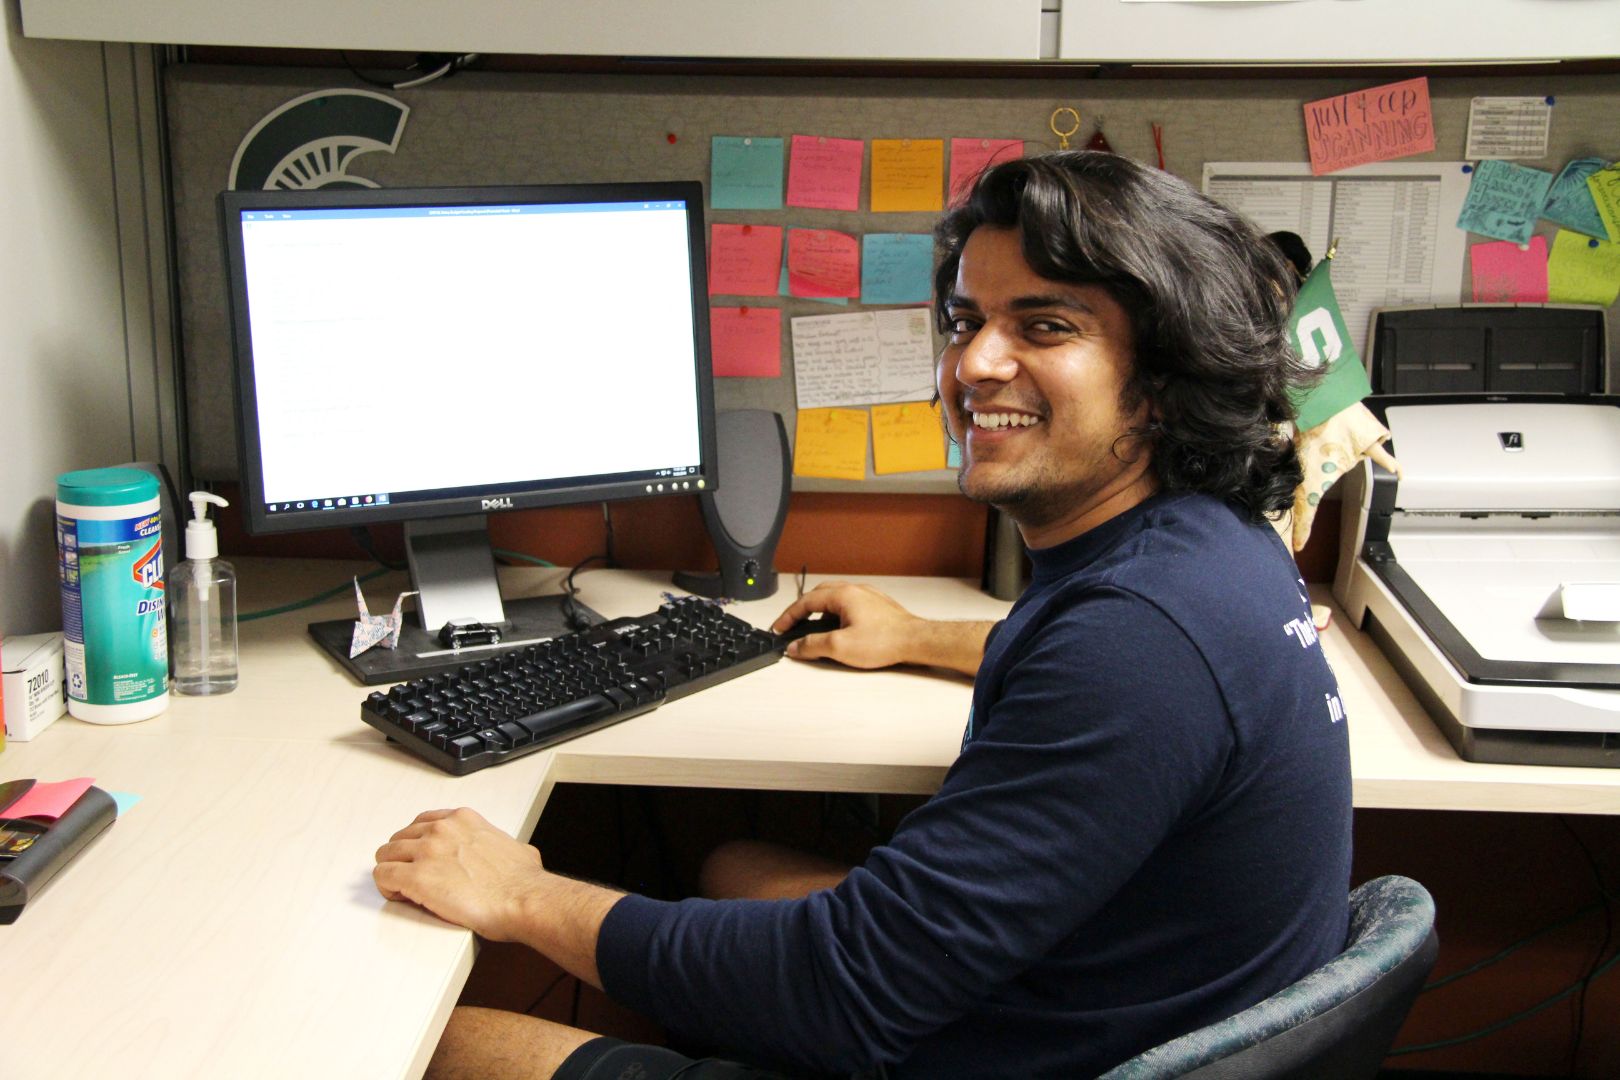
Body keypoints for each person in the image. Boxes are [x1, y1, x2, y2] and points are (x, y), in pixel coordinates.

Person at [372, 150, 1354, 1080]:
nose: (973, 365)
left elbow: (840, 991)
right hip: (1081, 1000)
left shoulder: (1139, 646)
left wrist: (517, 894)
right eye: (967, 322)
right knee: (728, 862)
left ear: (1166, 376)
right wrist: (917, 637)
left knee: (421, 1042)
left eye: (1045, 326)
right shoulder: (1212, 547)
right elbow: (1090, 664)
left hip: (975, 1045)